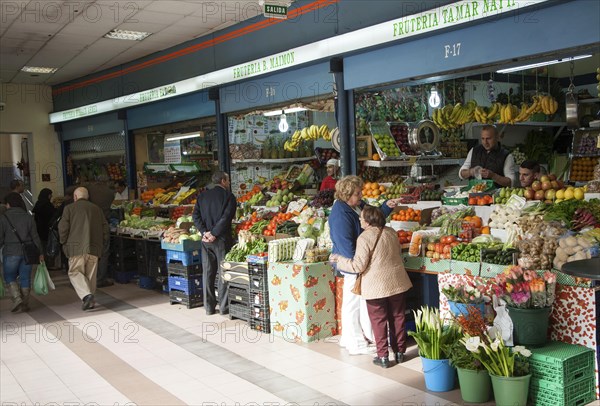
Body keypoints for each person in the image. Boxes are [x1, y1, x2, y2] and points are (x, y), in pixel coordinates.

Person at [330, 205, 412, 368]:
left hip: (376, 286)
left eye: (362, 218)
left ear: (368, 221)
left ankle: (383, 356)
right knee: (398, 317)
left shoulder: (364, 238)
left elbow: (357, 266)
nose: (360, 220)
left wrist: (338, 260)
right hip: (397, 281)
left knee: (378, 320)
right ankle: (400, 352)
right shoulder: (391, 233)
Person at [327, 176, 400, 355]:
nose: (361, 195)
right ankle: (355, 343)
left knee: (358, 302)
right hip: (352, 264)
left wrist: (386, 206)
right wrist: (358, 264)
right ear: (346, 194)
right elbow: (346, 246)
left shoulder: (355, 206)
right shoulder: (340, 215)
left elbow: (372, 219)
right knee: (352, 303)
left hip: (359, 262)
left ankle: (354, 338)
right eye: (357, 193)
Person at [192, 171, 237, 316]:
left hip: (206, 241)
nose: (229, 183)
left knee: (208, 273)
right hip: (221, 240)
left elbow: (195, 216)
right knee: (223, 272)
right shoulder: (229, 197)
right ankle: (224, 308)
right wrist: (214, 233)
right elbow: (226, 218)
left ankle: (209, 307)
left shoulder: (202, 196)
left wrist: (205, 232)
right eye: (228, 180)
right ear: (223, 181)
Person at [58, 187, 109, 311]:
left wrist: (63, 242)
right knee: (90, 276)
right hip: (94, 247)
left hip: (76, 247)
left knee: (75, 272)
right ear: (87, 197)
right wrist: (102, 243)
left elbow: (63, 228)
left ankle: (87, 296)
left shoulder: (69, 209)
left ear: (75, 197)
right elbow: (105, 229)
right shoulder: (97, 209)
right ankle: (90, 302)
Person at [0, 192, 44, 312]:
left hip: (10, 252)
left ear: (8, 204)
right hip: (28, 252)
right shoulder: (28, 217)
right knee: (25, 277)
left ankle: (17, 298)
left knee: (9, 276)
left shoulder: (4, 218)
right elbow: (35, 237)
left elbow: (0, 238)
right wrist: (40, 252)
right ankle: (24, 303)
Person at [83, 182, 115, 287]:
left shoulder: (90, 190)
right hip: (104, 224)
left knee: (92, 252)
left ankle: (92, 278)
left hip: (91, 226)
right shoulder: (110, 193)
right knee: (104, 253)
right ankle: (101, 278)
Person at [32, 188, 56, 261]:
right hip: (47, 229)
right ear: (48, 195)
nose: (51, 196)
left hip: (39, 228)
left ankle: (42, 260)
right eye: (50, 194)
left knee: (42, 245)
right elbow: (53, 215)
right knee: (47, 245)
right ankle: (48, 261)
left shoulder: (38, 203)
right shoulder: (47, 205)